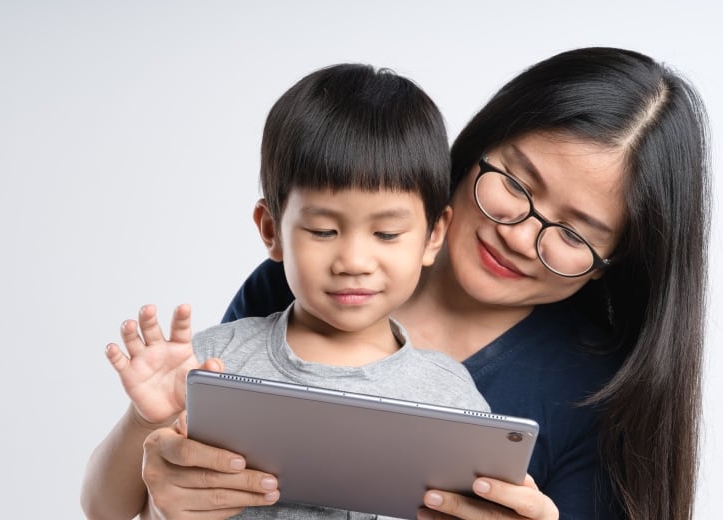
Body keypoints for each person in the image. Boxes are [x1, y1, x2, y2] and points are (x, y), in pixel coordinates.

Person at [122, 47, 710, 520]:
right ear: (476, 146)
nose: (519, 234)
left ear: (618, 260)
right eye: (518, 183)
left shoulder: (595, 398)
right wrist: (161, 495)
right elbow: (154, 488)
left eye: (573, 233)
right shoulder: (304, 289)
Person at [81, 63, 492, 519]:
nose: (354, 262)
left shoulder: (448, 396)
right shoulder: (211, 365)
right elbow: (104, 511)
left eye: (387, 234)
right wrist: (145, 420)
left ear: (433, 236)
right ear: (271, 229)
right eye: (322, 230)